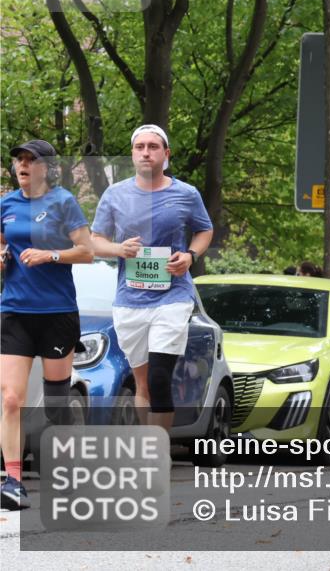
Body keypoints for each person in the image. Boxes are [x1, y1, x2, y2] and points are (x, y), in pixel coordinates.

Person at [91, 125, 213, 434]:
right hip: (130, 300)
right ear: (132, 154)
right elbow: (95, 241)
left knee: (160, 377)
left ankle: (157, 451)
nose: (146, 152)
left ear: (166, 154)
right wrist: (118, 249)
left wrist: (190, 256)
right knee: (143, 382)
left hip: (172, 297)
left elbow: (204, 230)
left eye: (153, 147)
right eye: (140, 147)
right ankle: (148, 447)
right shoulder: (115, 194)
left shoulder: (186, 194)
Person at [1, 140, 94, 510]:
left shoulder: (63, 202)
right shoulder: (6, 204)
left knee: (56, 402)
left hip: (56, 313)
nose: (23, 165)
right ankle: (11, 480)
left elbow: (86, 252)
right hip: (14, 312)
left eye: (30, 160)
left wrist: (50, 254)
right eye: (19, 159)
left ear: (46, 168)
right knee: (10, 398)